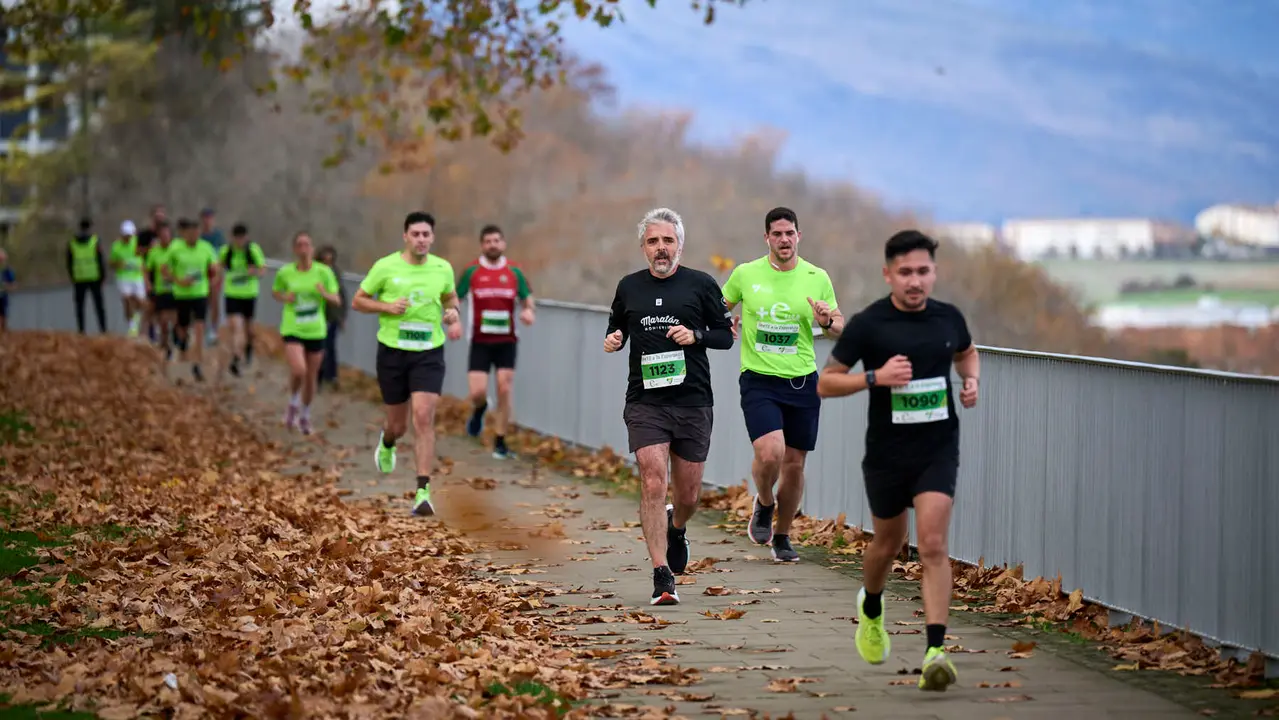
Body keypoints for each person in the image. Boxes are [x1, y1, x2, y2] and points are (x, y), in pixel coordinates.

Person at [817, 229, 980, 692]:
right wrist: (875, 377)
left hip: (937, 449)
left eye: (923, 271)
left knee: (932, 543)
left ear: (934, 272)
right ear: (888, 273)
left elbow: (968, 354)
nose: (915, 281)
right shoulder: (870, 324)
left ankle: (935, 651)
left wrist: (972, 383)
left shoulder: (949, 319)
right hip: (888, 455)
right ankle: (871, 605)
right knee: (887, 545)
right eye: (905, 272)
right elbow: (826, 383)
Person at [603, 207, 734, 606]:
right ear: (643, 247)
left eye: (668, 241)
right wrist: (613, 338)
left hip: (693, 401)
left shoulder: (701, 284)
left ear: (680, 244)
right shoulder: (629, 286)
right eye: (653, 241)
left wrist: (695, 335)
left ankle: (677, 528)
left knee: (690, 494)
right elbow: (616, 326)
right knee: (653, 480)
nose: (661, 248)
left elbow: (726, 336)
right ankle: (662, 574)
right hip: (646, 402)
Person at [722, 206, 842, 563]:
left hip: (803, 380)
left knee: (794, 464)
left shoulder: (816, 276)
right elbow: (718, 306)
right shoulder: (746, 273)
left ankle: (784, 535)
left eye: (790, 233)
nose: (784, 239)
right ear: (767, 238)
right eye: (777, 234)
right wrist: (724, 323)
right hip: (759, 378)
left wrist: (827, 321)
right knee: (770, 451)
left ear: (799, 236)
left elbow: (838, 326)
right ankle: (764, 501)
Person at [351, 211, 463, 517]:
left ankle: (422, 492)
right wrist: (386, 306)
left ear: (433, 237)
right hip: (393, 352)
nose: (421, 239)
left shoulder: (442, 268)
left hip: (429, 352)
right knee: (398, 425)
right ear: (405, 236)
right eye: (416, 234)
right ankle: (387, 441)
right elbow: (358, 300)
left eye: (426, 234)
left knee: (424, 417)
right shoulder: (385, 267)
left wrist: (453, 314)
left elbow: (451, 298)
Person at [458, 224, 536, 459]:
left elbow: (528, 299)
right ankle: (480, 409)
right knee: (477, 392)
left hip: (506, 342)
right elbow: (455, 297)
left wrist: (528, 311)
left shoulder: (514, 272)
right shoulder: (472, 272)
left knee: (504, 387)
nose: (493, 244)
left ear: (503, 244)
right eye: (488, 241)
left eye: (496, 240)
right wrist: (452, 318)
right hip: (480, 341)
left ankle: (500, 440)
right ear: (482, 245)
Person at [274, 232, 342, 434]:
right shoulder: (285, 272)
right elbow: (276, 291)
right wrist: (286, 297)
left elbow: (337, 299)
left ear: (312, 249)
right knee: (299, 370)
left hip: (315, 330)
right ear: (295, 249)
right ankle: (293, 403)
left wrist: (324, 294)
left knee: (311, 376)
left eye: (307, 245)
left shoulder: (324, 272)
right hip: (292, 327)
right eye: (299, 245)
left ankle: (305, 414)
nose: (303, 249)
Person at [163, 218, 219, 381]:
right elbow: (164, 270)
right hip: (181, 294)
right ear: (184, 234)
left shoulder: (206, 248)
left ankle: (197, 364)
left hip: (200, 293)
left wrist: (213, 274)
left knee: (200, 327)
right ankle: (181, 342)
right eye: (190, 234)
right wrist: (178, 280)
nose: (193, 237)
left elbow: (215, 268)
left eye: (196, 233)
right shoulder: (176, 248)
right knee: (183, 327)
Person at [218, 223, 266, 377]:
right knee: (235, 327)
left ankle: (248, 348)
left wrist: (255, 272)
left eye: (242, 238)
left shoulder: (253, 250)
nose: (239, 241)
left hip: (249, 294)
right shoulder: (227, 251)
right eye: (237, 238)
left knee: (249, 329)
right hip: (232, 293)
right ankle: (236, 358)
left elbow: (263, 270)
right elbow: (219, 266)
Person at [66, 217, 107, 335]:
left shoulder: (72, 243)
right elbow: (100, 259)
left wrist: (72, 276)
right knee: (99, 307)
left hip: (79, 278)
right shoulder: (94, 241)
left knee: (80, 307)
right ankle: (103, 329)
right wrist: (102, 276)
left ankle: (81, 330)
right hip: (94, 277)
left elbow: (69, 261)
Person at [315, 245, 348, 390]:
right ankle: (317, 374)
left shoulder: (336, 272)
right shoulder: (315, 272)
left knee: (330, 346)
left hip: (333, 315)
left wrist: (342, 317)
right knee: (319, 346)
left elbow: (342, 296)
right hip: (317, 315)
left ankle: (331, 375)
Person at [145, 222, 177, 359]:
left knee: (176, 320)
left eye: (167, 234)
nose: (165, 237)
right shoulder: (154, 252)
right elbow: (146, 269)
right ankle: (166, 346)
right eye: (162, 235)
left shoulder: (177, 249)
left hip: (176, 290)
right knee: (163, 321)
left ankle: (177, 341)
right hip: (161, 290)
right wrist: (147, 283)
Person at [109, 220, 146, 337]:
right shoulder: (116, 246)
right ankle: (132, 326)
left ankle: (137, 319)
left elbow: (146, 253)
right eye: (126, 236)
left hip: (137, 276)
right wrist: (117, 264)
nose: (128, 238)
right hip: (123, 277)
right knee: (127, 300)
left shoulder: (138, 243)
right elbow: (111, 263)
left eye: (130, 235)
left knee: (140, 302)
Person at [200, 208, 226, 346]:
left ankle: (214, 329)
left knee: (214, 299)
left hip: (215, 273)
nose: (207, 221)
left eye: (209, 218)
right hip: (201, 274)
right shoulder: (200, 236)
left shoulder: (218, 237)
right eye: (205, 218)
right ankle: (201, 328)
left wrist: (219, 273)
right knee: (202, 302)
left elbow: (223, 257)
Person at [0, 248, 14, 333]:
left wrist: (7, 286)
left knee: (4, 313)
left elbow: (12, 283)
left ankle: (4, 330)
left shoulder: (7, 271)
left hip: (3, 294)